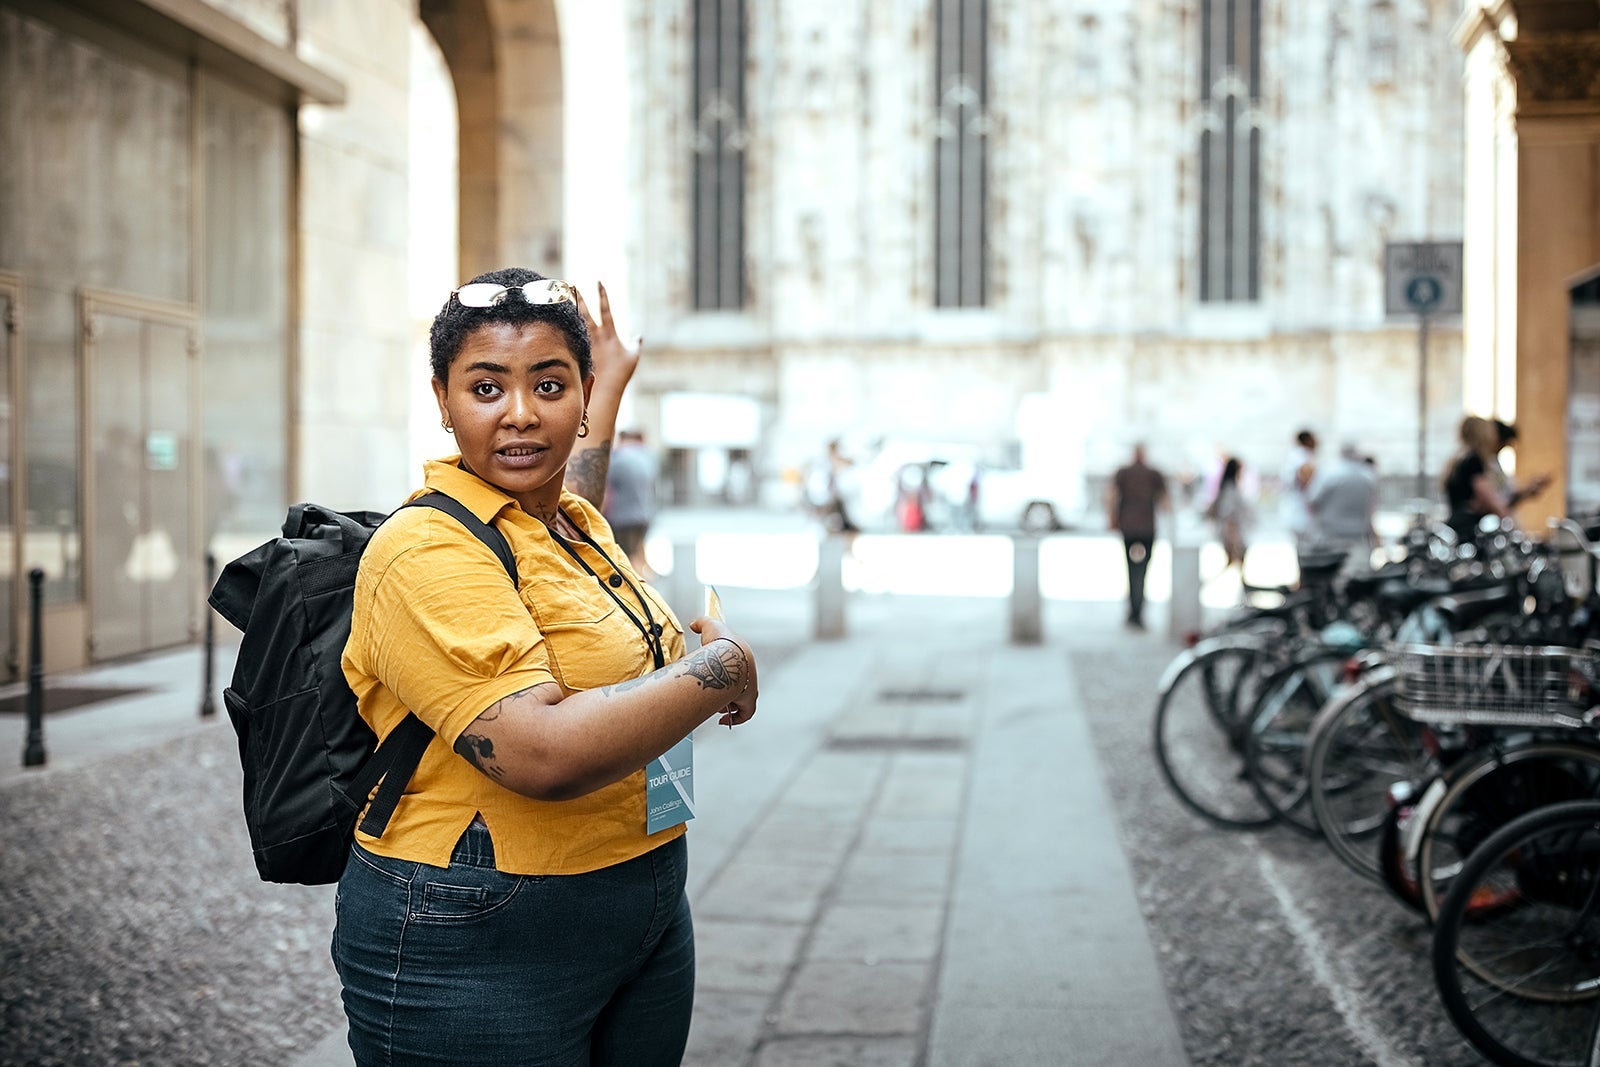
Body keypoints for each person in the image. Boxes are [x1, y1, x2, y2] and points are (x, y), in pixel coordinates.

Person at [334, 267, 760, 1066]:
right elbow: (541, 753)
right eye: (486, 387)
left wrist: (610, 383)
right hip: (480, 925)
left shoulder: (570, 523)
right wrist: (721, 669)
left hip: (643, 893)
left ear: (581, 394)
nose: (522, 413)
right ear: (442, 399)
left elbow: (570, 481)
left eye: (551, 385)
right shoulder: (422, 549)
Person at [1442, 415, 1552, 543]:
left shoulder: (1458, 461)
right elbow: (1492, 501)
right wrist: (1518, 533)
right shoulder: (1473, 462)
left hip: (1457, 526)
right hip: (1469, 531)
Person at [1107, 443, 1169, 629]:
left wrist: (1112, 519)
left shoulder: (1125, 473)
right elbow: (1165, 501)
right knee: (1142, 570)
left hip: (1129, 527)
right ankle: (1137, 611)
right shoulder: (1152, 474)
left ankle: (1134, 611)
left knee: (1132, 569)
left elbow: (1111, 496)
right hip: (1146, 528)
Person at [1307, 442, 1378, 571]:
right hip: (1358, 537)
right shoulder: (1366, 476)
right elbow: (1371, 509)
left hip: (1330, 537)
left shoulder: (1328, 473)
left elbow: (1313, 500)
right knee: (1357, 574)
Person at [604, 428, 658, 577]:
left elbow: (605, 490)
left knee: (629, 560)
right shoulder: (648, 458)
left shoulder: (617, 459)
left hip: (622, 518)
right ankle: (647, 579)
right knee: (638, 553)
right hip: (645, 515)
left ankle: (641, 586)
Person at [1205, 456, 1251, 581]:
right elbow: (1228, 514)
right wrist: (1232, 534)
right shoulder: (1229, 489)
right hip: (1232, 531)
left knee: (1235, 561)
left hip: (1235, 530)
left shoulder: (1230, 487)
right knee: (1235, 559)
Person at [1279, 429, 1318, 548]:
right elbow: (1305, 476)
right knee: (1305, 547)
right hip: (1300, 511)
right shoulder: (1301, 456)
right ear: (1308, 440)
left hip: (1294, 509)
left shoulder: (1293, 456)